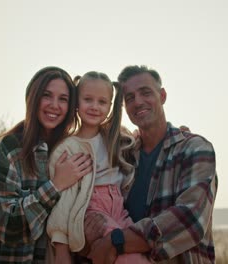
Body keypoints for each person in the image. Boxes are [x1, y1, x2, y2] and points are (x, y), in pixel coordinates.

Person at [84, 65, 218, 263]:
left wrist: (117, 240)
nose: (138, 102)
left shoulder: (194, 149)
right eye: (129, 98)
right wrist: (90, 229)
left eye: (145, 93)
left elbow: (190, 220)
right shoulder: (125, 157)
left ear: (162, 96)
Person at [0, 66, 93, 264]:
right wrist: (56, 185)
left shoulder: (73, 151)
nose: (54, 105)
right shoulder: (10, 149)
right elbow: (5, 225)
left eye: (63, 99)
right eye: (46, 95)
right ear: (32, 99)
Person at [45, 71, 150, 264]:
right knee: (130, 258)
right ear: (76, 102)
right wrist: (60, 244)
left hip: (119, 209)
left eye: (102, 102)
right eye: (88, 100)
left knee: (143, 248)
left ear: (110, 106)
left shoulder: (116, 139)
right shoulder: (68, 148)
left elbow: (143, 142)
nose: (95, 107)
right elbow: (62, 201)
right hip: (91, 210)